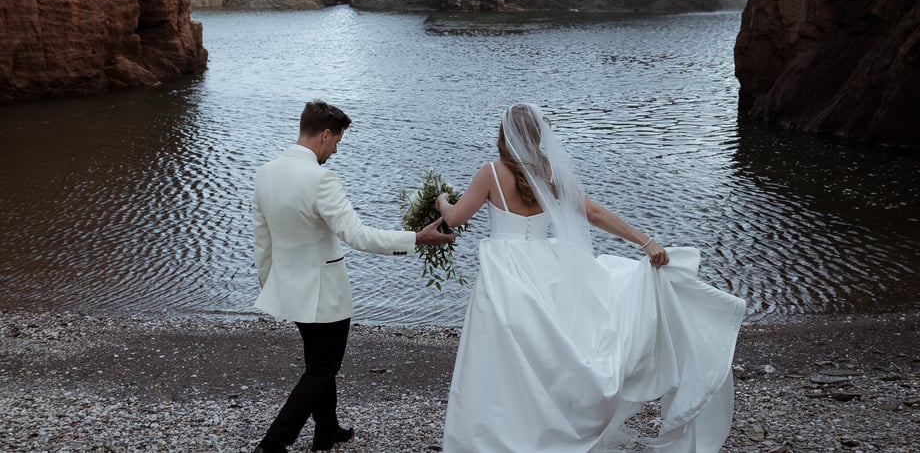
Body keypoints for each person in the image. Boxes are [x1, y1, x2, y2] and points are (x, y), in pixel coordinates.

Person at [436, 103, 746, 452]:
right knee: (550, 352)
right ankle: (548, 425)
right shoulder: (549, 172)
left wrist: (442, 201)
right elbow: (594, 213)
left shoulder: (491, 173)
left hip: (505, 271)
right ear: (538, 135)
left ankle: (498, 430)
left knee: (500, 353)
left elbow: (456, 218)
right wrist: (644, 241)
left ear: (504, 136)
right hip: (547, 268)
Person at [250, 100, 457, 453]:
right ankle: (272, 444)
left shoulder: (265, 173)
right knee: (322, 369)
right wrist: (417, 239)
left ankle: (326, 430)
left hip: (289, 288)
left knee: (318, 362)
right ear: (325, 134)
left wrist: (270, 285)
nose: (335, 150)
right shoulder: (320, 179)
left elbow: (262, 239)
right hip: (325, 294)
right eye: (337, 142)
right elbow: (358, 236)